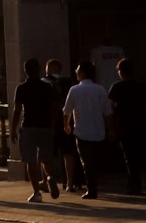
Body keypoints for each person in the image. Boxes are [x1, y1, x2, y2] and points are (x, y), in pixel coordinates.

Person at [108, 58, 146, 196]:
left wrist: (112, 127)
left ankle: (133, 184)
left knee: (128, 155)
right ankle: (135, 182)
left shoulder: (116, 87)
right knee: (137, 153)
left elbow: (110, 108)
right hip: (140, 122)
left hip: (124, 124)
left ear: (120, 71)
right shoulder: (142, 86)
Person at [9, 60, 58, 204]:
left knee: (30, 160)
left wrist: (13, 129)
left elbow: (17, 110)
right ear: (39, 70)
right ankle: (50, 178)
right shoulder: (47, 87)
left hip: (28, 126)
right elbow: (53, 108)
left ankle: (37, 192)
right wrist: (53, 126)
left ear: (25, 71)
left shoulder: (21, 88)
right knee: (46, 157)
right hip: (45, 126)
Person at [63, 62, 114, 201]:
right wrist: (110, 129)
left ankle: (91, 189)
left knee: (86, 161)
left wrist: (66, 125)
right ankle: (94, 185)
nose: (76, 72)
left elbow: (67, 110)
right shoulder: (100, 90)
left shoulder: (74, 90)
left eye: (78, 70)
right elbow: (107, 113)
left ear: (83, 73)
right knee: (95, 161)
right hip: (98, 130)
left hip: (81, 130)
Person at [45, 59, 79, 191]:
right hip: (68, 121)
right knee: (68, 153)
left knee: (47, 154)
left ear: (50, 69)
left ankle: (48, 180)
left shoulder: (45, 83)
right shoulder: (71, 83)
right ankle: (70, 183)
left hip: (49, 122)